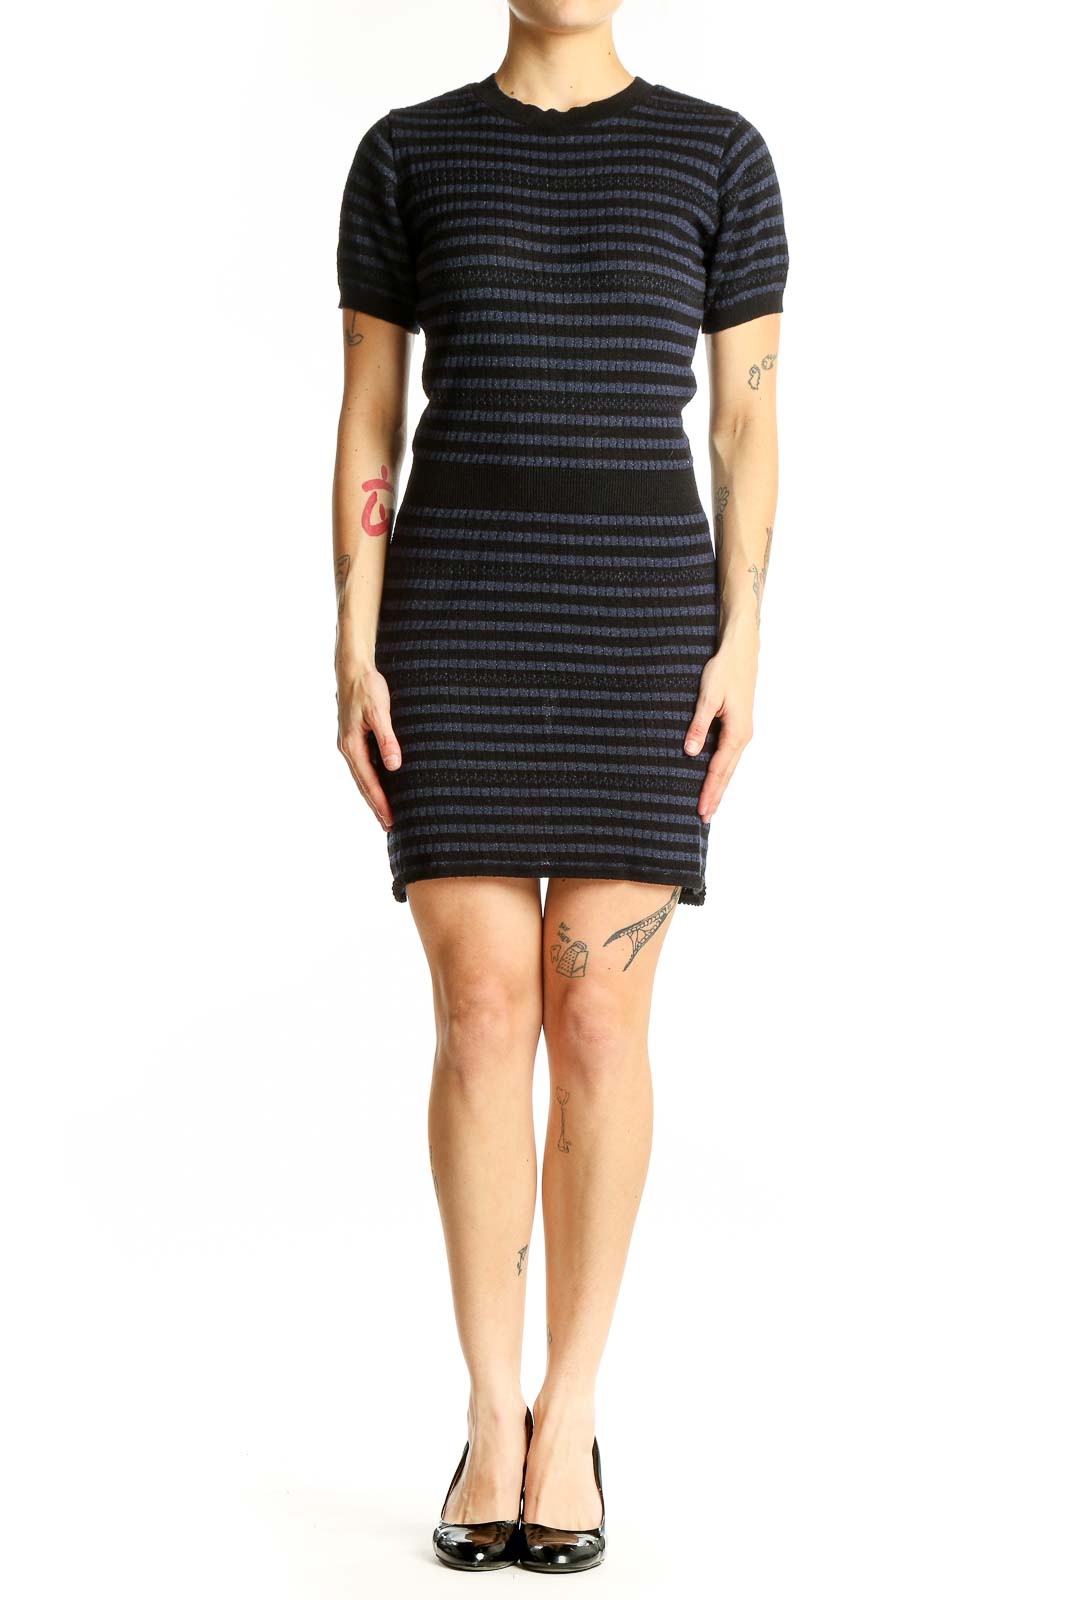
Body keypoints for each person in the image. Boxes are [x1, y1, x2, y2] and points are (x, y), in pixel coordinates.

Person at [332, 0, 787, 1574]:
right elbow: (370, 411)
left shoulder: (719, 156)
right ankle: (488, 1413)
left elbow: (746, 416)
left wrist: (742, 640)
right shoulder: (406, 155)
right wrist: (352, 638)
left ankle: (571, 1408)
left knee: (598, 1016)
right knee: (482, 1014)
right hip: (456, 616)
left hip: (641, 623)